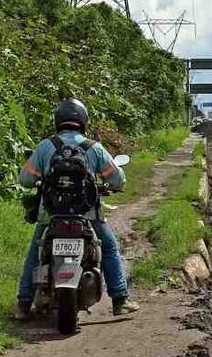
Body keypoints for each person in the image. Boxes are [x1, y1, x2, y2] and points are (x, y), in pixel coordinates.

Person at [14, 98, 140, 319]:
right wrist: (105, 185)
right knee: (109, 248)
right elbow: (119, 180)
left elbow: (25, 179)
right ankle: (120, 299)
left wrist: (40, 180)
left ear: (57, 121)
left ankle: (23, 305)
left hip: (50, 216)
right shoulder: (94, 148)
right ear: (83, 121)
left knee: (35, 252)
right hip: (88, 215)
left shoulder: (46, 146)